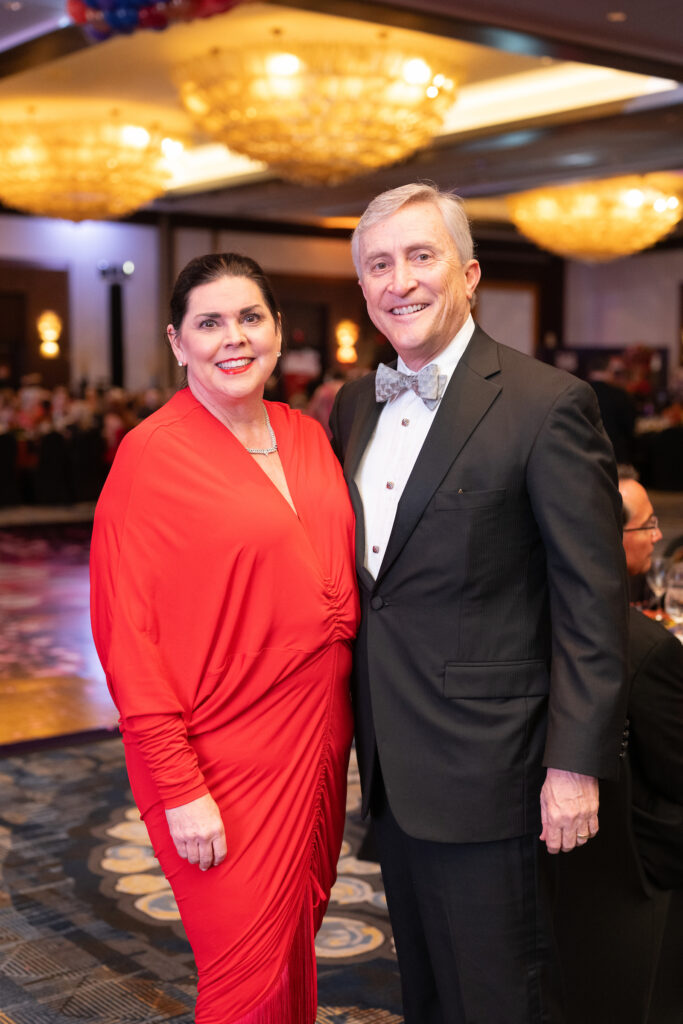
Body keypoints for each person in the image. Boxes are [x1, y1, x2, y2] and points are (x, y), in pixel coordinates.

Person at [329, 182, 630, 1024]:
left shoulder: (546, 405)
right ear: (362, 289)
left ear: (467, 273)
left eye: (420, 257)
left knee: (504, 996)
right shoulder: (356, 403)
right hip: (390, 764)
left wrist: (574, 768)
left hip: (496, 770)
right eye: (379, 265)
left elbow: (590, 602)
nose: (400, 282)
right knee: (424, 989)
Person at [90, 253, 359, 1024]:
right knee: (244, 979)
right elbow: (126, 640)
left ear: (277, 332)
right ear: (178, 343)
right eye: (209, 322)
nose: (232, 338)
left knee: (289, 953)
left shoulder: (307, 435)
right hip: (217, 758)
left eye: (250, 317)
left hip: (316, 745)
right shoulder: (150, 457)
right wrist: (179, 789)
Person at [547, 469, 683, 1023]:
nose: (657, 536)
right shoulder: (646, 650)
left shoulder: (539, 619)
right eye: (647, 526)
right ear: (608, 536)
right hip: (631, 869)